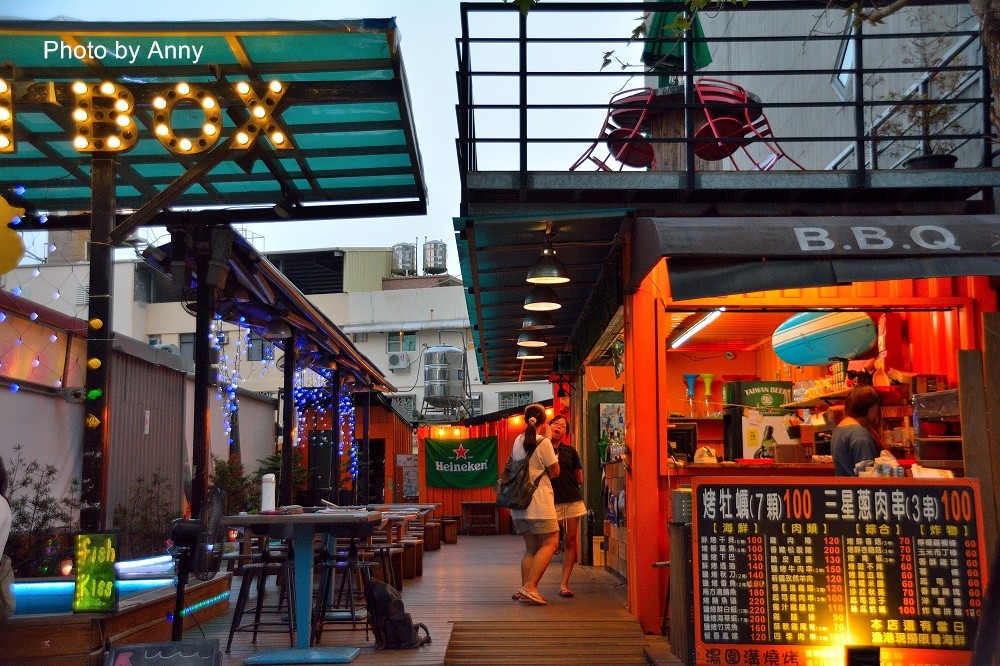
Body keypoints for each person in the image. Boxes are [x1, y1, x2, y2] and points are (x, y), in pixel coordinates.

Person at [508, 403, 560, 605]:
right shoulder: (543, 442)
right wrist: (548, 439)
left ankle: (525, 589)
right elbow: (555, 472)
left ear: (525, 420)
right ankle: (530, 587)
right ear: (543, 421)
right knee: (551, 543)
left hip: (519, 504)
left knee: (531, 547)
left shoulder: (517, 440)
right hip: (539, 503)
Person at [548, 414, 585, 598]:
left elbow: (580, 478)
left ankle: (564, 585)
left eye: (562, 426)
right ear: (549, 427)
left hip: (572, 500)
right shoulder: (541, 448)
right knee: (549, 543)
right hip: (549, 501)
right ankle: (531, 584)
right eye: (555, 423)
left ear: (565, 433)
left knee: (570, 540)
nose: (558, 426)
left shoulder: (570, 451)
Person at [831, 384, 883, 476]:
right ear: (872, 407)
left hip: (844, 485)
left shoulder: (840, 429)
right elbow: (869, 476)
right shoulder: (859, 435)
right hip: (857, 486)